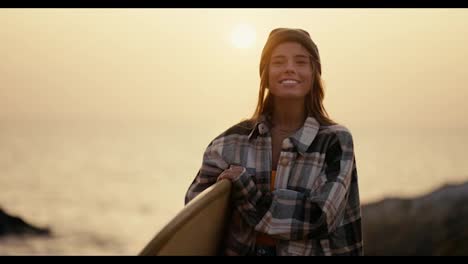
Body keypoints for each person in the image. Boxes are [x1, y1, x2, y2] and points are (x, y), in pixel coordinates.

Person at [185, 28, 363, 256]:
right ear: (265, 74)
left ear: (313, 74)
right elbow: (196, 215)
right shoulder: (227, 144)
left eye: (300, 62)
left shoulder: (335, 141)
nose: (290, 68)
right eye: (278, 62)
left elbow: (320, 216)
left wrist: (248, 194)